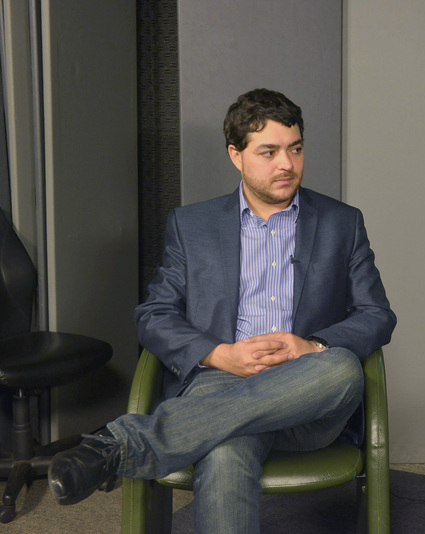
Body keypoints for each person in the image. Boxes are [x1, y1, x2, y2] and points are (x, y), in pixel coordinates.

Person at [48, 88, 397, 533]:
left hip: (308, 393)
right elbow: (154, 313)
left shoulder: (341, 222)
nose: (287, 164)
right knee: (227, 449)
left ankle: (126, 444)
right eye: (268, 152)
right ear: (236, 155)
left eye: (295, 149)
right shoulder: (192, 225)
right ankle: (156, 437)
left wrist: (312, 346)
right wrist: (219, 355)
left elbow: (376, 314)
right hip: (220, 381)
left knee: (342, 368)